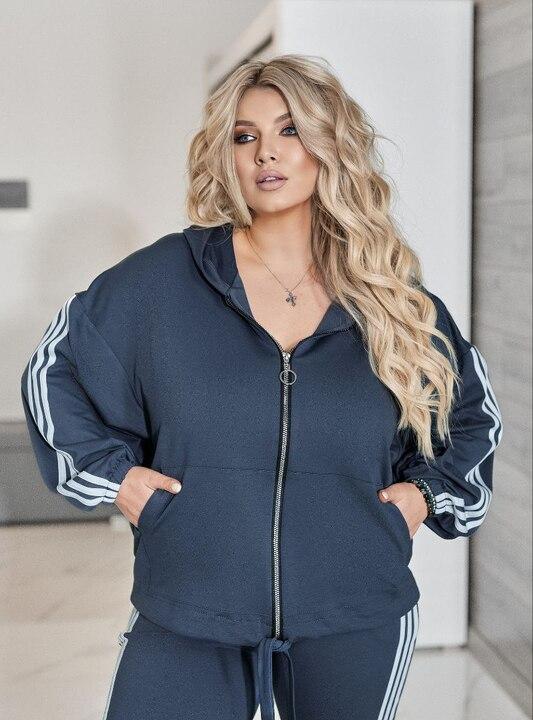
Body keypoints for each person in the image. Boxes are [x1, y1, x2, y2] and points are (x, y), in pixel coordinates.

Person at [20, 54, 503, 720]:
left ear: (330, 146)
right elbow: (54, 369)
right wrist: (116, 481)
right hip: (190, 604)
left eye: (289, 130)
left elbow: (472, 415)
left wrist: (424, 497)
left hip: (352, 608)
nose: (265, 153)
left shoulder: (390, 299)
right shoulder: (163, 281)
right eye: (245, 136)